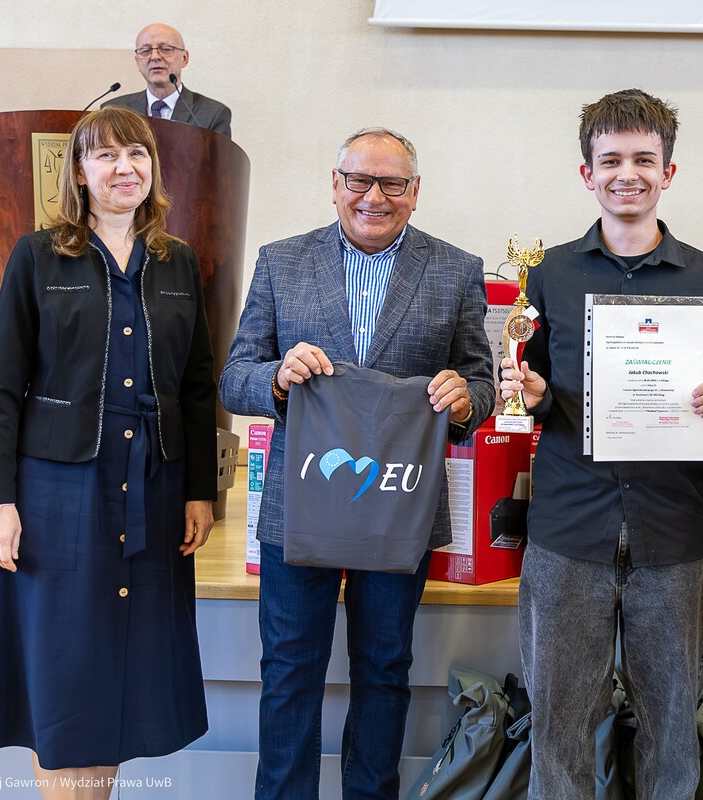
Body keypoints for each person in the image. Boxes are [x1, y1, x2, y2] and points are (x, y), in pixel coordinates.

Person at [0, 106, 217, 799]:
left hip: (153, 485)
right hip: (59, 491)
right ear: (80, 174)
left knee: (121, 663)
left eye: (137, 155)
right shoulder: (37, 255)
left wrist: (199, 491)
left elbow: (196, 384)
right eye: (106, 156)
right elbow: (2, 388)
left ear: (153, 169)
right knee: (65, 666)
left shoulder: (177, 260)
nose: (125, 168)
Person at [499, 88, 703, 799]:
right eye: (611, 159)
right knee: (558, 732)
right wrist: (530, 393)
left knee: (673, 733)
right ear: (586, 172)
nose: (628, 173)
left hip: (672, 536)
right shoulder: (547, 274)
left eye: (644, 159)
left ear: (668, 173)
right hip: (568, 534)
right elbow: (532, 389)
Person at [219, 126, 495, 800]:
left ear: (415, 191)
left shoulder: (456, 269)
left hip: (399, 505)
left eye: (392, 183)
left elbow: (481, 383)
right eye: (359, 180)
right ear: (335, 185)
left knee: (384, 668)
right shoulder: (282, 261)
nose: (374, 196)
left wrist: (465, 400)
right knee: (289, 670)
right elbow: (234, 377)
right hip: (299, 506)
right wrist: (276, 378)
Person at [104, 23, 232, 139]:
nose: (155, 57)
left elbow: (218, 158)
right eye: (146, 51)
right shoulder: (115, 110)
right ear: (138, 62)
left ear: (184, 58)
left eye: (165, 49)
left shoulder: (213, 113)